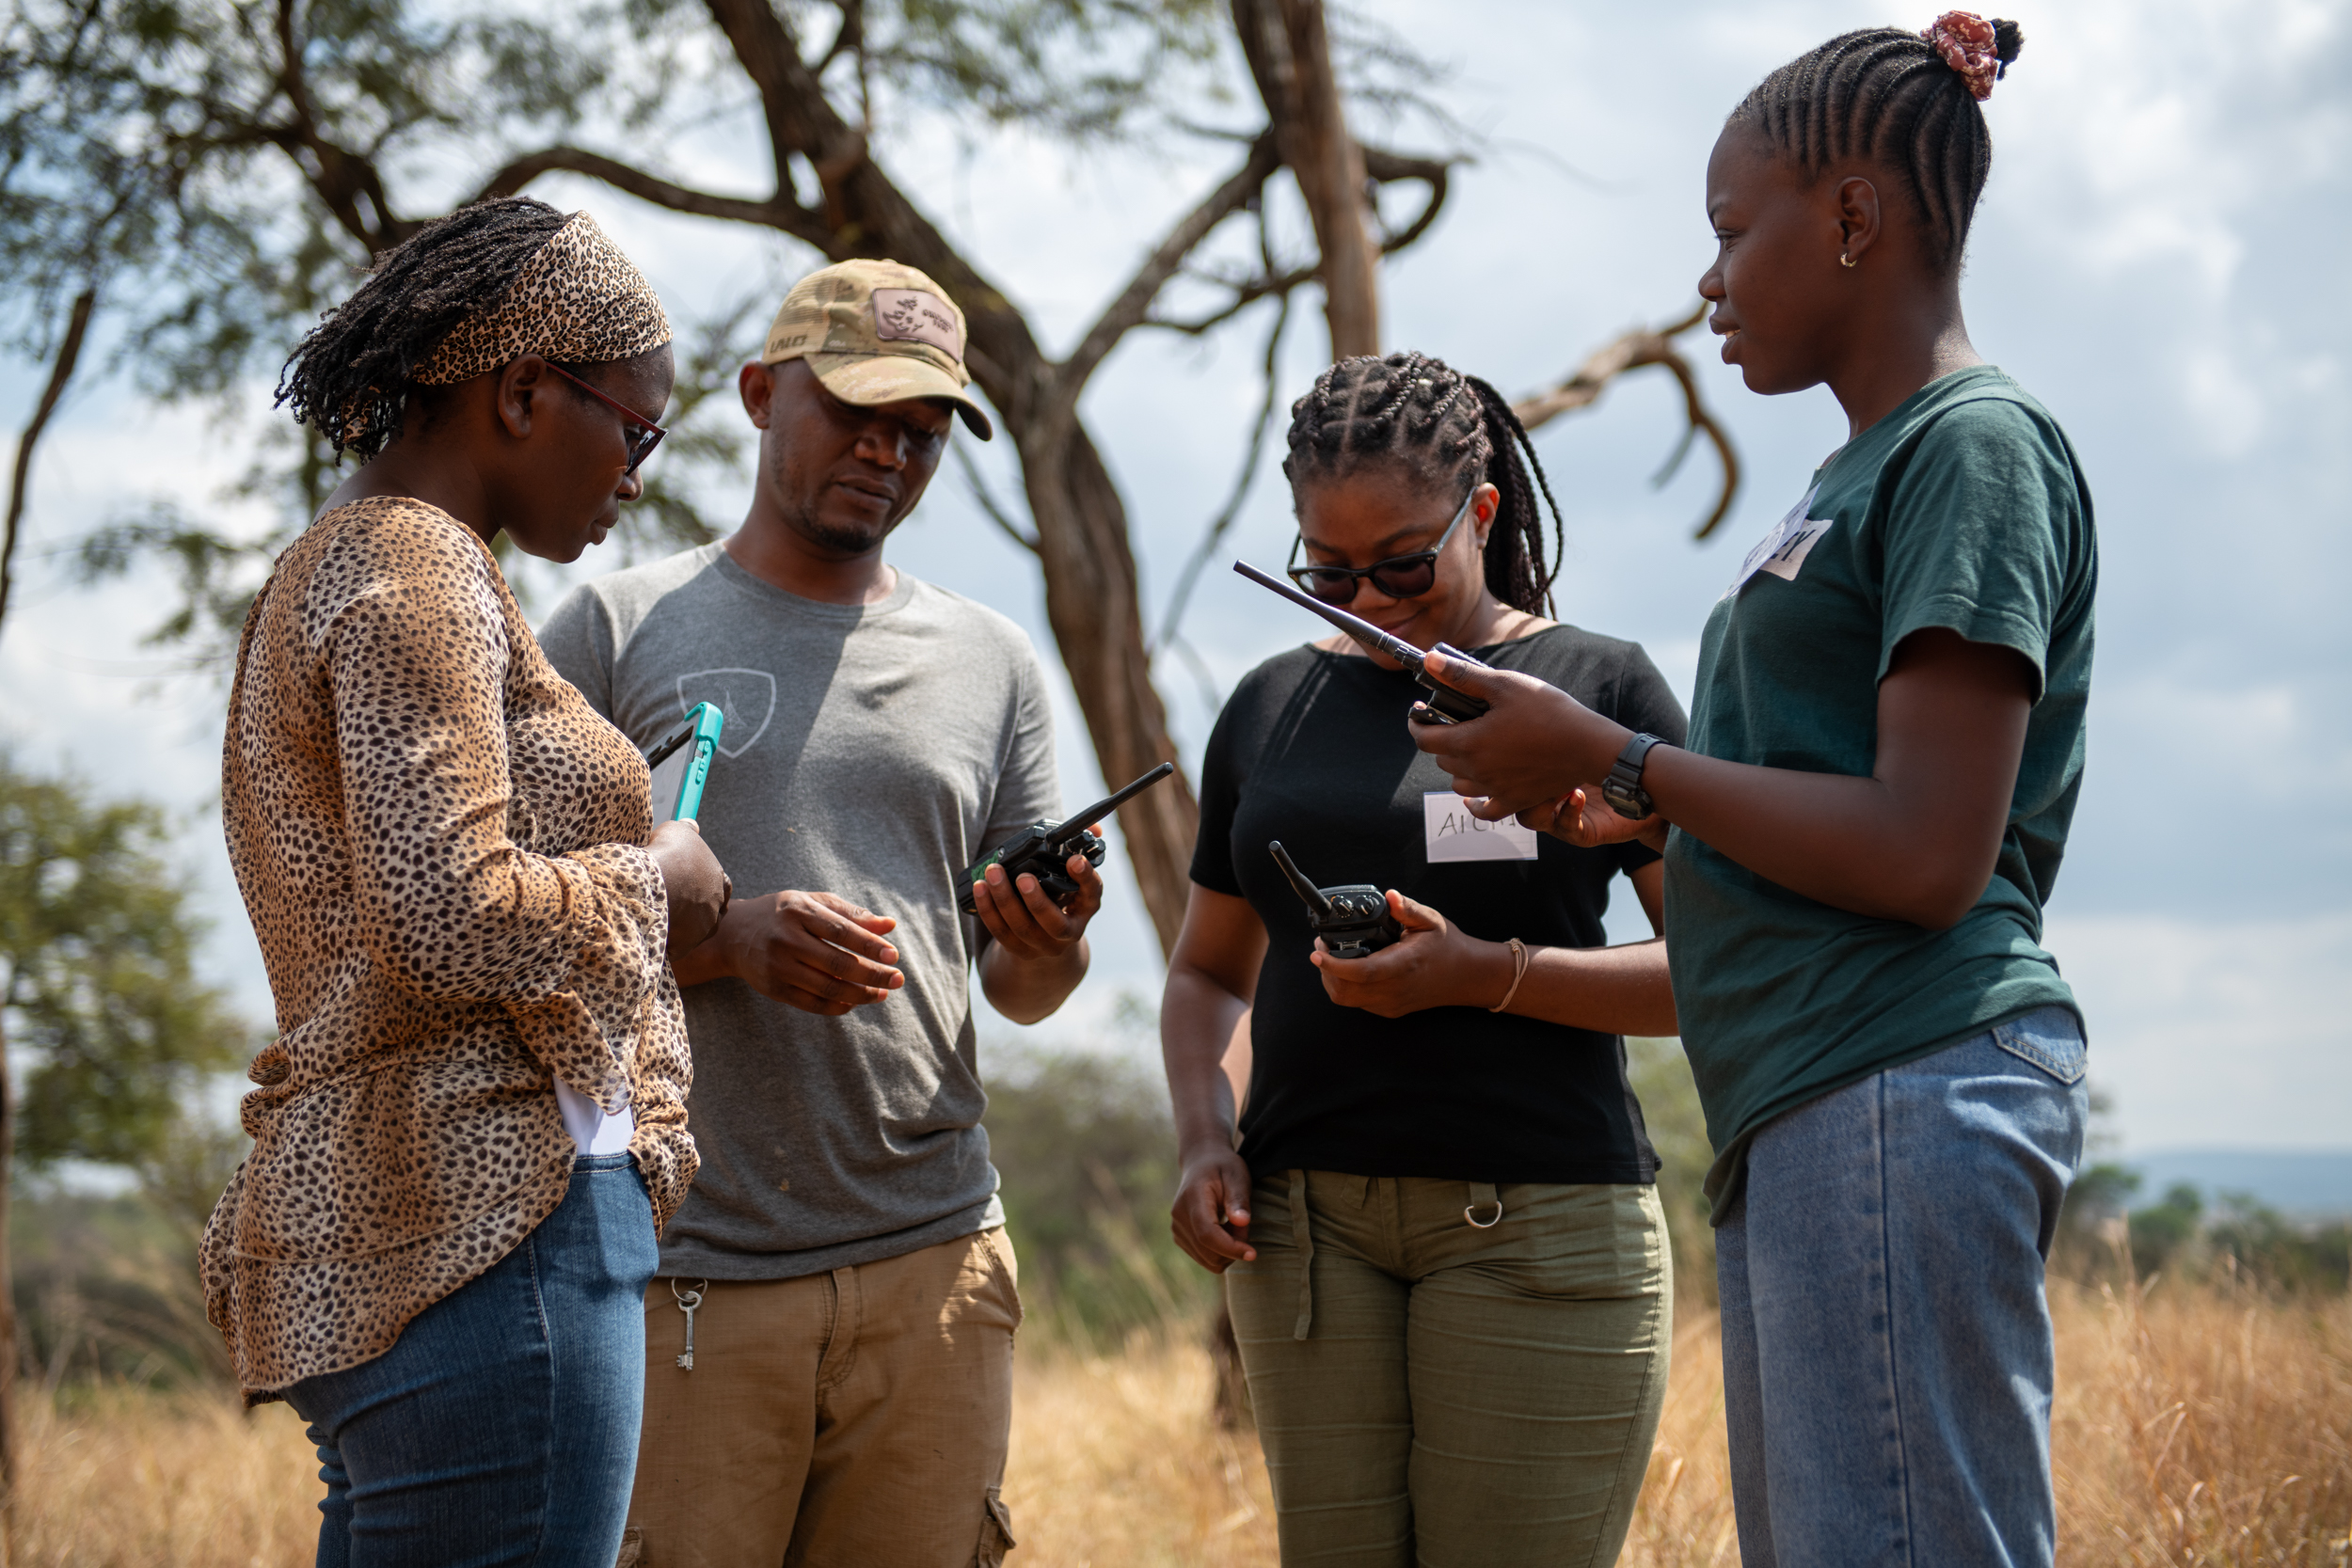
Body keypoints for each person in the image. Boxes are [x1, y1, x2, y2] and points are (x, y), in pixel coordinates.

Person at [1412, 15, 2095, 1566]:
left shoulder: (1971, 449)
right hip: (1814, 1093)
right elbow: (1828, 793)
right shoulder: (1848, 478)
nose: (1709, 282)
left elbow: (1928, 852)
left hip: (1902, 1070)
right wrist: (1642, 819)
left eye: (1731, 232)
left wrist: (1618, 756)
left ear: (1853, 216)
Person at [540, 258, 1098, 1568]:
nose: (887, 451)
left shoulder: (992, 661)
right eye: (855, 410)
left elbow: (1021, 995)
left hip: (935, 1265)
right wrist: (725, 945)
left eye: (921, 431)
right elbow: (526, 930)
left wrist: (1050, 941)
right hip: (684, 1265)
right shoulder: (615, 631)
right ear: (757, 394)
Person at [206, 196, 731, 1567]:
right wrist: (654, 879)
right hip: (491, 1219)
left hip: (431, 1223)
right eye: (637, 429)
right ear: (521, 391)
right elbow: (450, 910)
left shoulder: (356, 564)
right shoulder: (414, 566)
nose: (637, 473)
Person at [1161, 350, 1686, 1567]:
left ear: (1481, 514)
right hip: (1307, 1246)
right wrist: (1203, 1134)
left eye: (1404, 563)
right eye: (1328, 572)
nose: (1370, 598)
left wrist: (1487, 973)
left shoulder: (1593, 686)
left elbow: (1719, 971)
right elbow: (1206, 974)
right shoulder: (1268, 708)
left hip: (1539, 1225)